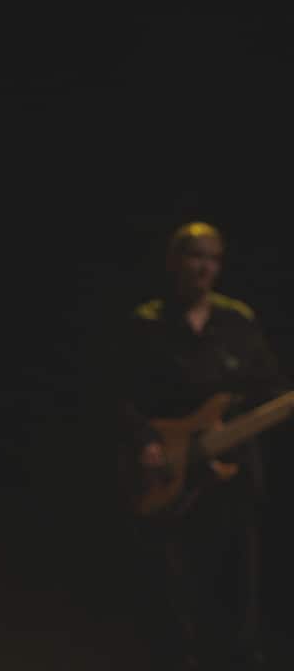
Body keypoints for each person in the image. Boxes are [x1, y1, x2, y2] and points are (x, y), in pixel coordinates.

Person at [116, 221, 290, 671]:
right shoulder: (147, 323)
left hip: (235, 473)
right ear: (175, 261)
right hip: (171, 471)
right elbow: (122, 396)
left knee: (241, 577)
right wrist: (146, 442)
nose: (204, 267)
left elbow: (270, 389)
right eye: (196, 256)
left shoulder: (238, 321)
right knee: (177, 581)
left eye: (213, 258)